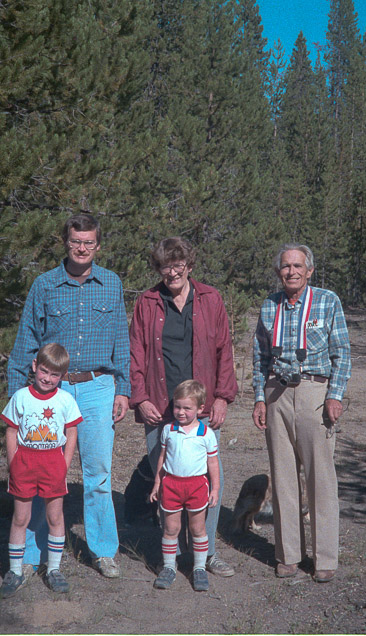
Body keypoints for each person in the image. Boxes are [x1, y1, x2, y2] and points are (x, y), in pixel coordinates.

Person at [7, 213, 130, 579]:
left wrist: (122, 389)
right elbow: (26, 340)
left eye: (89, 242)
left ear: (98, 245)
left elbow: (121, 341)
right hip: (50, 391)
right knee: (40, 472)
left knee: (98, 474)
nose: (82, 248)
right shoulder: (44, 285)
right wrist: (19, 397)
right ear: (66, 241)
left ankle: (104, 550)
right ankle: (32, 554)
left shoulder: (111, 283)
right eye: (76, 241)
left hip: (97, 388)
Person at [129, 237, 238, 578]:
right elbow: (135, 351)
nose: (172, 272)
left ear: (190, 266)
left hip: (201, 409)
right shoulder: (148, 302)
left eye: (179, 266)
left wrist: (222, 397)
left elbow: (224, 349)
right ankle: (171, 556)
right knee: (168, 480)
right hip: (160, 408)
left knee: (205, 482)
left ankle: (208, 554)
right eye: (165, 266)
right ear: (158, 268)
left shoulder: (210, 298)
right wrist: (141, 397)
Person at [251, 244, 351, 584]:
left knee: (320, 478)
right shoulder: (270, 305)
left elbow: (343, 353)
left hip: (314, 392)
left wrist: (335, 396)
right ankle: (289, 554)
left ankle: (325, 558)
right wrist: (259, 398)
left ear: (309, 270)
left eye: (298, 266)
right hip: (276, 393)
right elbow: (259, 357)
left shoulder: (327, 300)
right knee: (282, 477)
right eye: (285, 266)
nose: (291, 271)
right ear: (278, 271)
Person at [0, 343, 81, 597]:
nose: (47, 378)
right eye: (44, 371)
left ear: (63, 375)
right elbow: (11, 431)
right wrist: (14, 463)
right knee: (20, 518)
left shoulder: (65, 399)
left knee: (54, 517)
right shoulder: (21, 396)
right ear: (35, 366)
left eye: (55, 374)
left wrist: (64, 464)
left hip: (52, 462)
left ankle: (54, 569)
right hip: (25, 462)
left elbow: (72, 431)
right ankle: (15, 571)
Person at [149, 379, 220, 592]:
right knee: (171, 528)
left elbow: (213, 463)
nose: (181, 412)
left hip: (197, 486)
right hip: (171, 485)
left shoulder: (205, 433)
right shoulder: (168, 430)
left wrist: (215, 488)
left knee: (197, 528)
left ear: (200, 408)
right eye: (177, 406)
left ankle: (199, 568)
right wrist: (157, 484)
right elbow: (162, 457)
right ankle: (169, 567)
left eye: (187, 408)